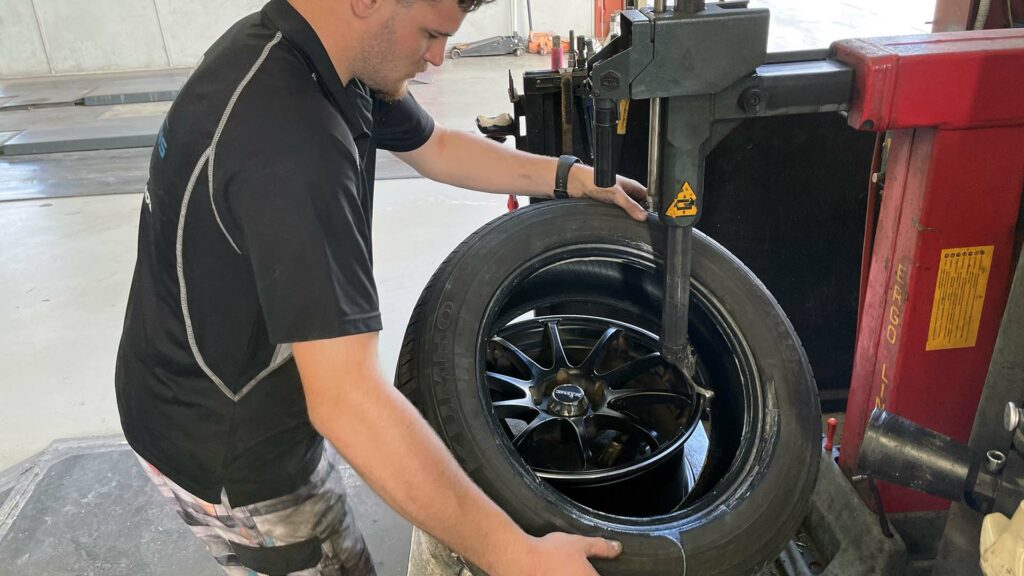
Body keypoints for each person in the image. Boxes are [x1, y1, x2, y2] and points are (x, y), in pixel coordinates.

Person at [115, 0, 648, 574]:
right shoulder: (291, 140)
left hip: (202, 373)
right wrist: (516, 555)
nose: (440, 58)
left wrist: (567, 178)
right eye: (430, 33)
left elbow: (435, 146)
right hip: (231, 450)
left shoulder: (310, 54)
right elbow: (348, 402)